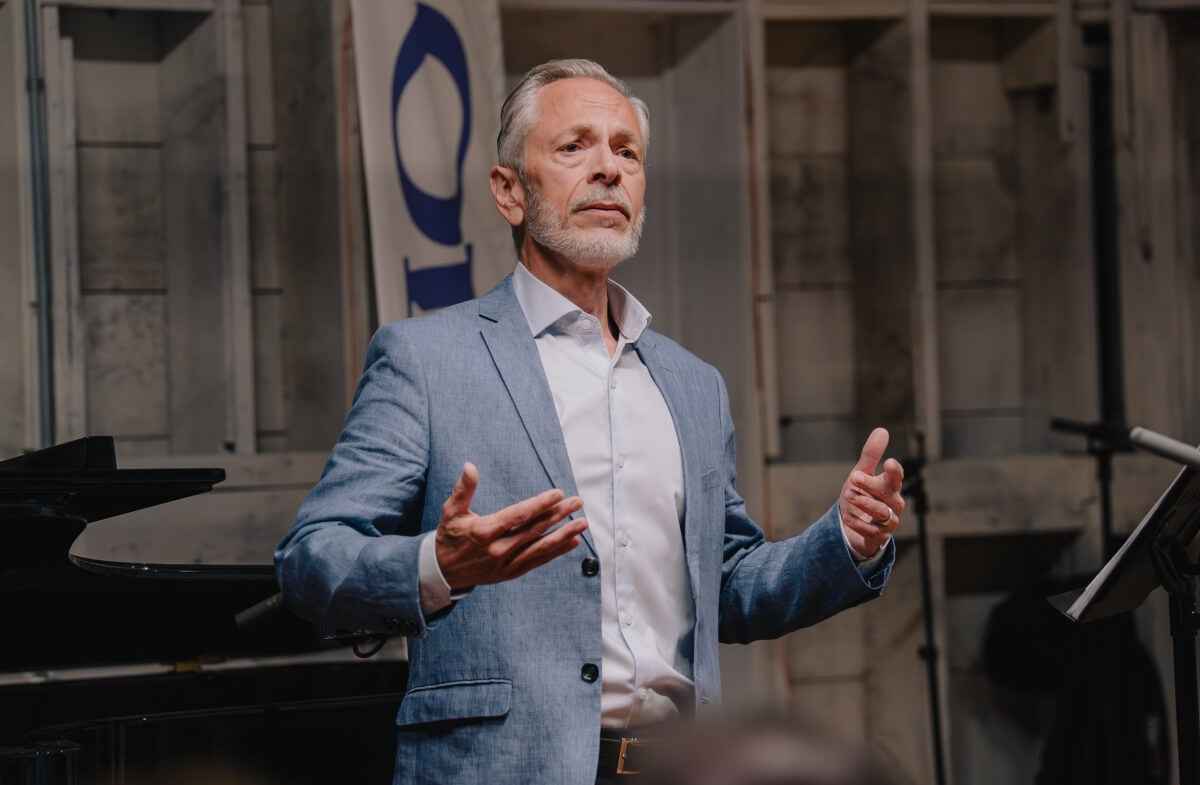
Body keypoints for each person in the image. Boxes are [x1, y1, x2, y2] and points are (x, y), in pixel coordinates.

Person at [274, 58, 904, 785]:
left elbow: (729, 585)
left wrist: (846, 542)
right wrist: (436, 565)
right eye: (574, 147)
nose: (608, 168)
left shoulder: (693, 385)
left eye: (626, 151)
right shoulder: (426, 360)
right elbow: (309, 562)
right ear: (509, 191)